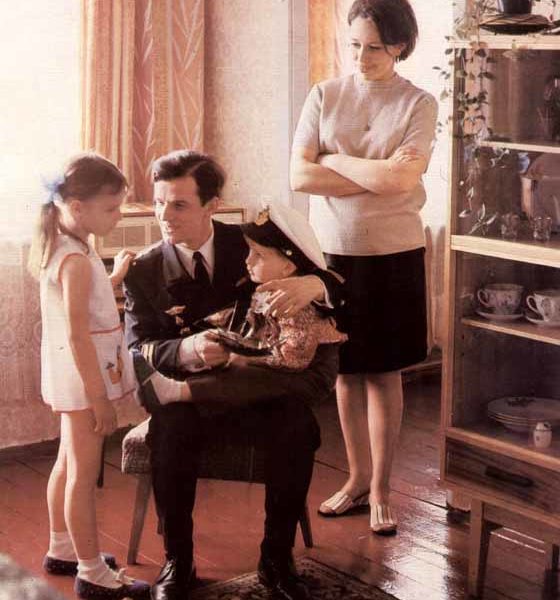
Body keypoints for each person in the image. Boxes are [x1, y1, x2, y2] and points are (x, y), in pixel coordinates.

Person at [123, 149, 344, 600]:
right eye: (159, 202)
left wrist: (316, 284)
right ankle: (178, 561)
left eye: (179, 204)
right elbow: (139, 347)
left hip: (257, 393)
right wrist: (189, 350)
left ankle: (276, 559)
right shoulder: (144, 270)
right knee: (170, 426)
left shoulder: (247, 243)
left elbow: (335, 283)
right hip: (189, 394)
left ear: (213, 204)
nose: (164, 215)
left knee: (298, 425)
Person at [290, 0, 438, 535]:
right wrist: (375, 173)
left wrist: (332, 160)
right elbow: (299, 177)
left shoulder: (418, 103)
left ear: (400, 46)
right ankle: (356, 480)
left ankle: (381, 489)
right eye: (353, 44)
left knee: (384, 371)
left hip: (393, 253)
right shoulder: (324, 95)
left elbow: (401, 182)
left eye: (374, 47)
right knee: (346, 372)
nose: (361, 56)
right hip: (331, 254)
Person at [28, 152, 194, 600]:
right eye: (111, 208)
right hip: (83, 382)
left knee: (67, 462)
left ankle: (62, 548)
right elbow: (78, 334)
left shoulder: (70, 246)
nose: (119, 216)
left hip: (70, 376)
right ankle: (91, 572)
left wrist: (115, 276)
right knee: (83, 474)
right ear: (77, 208)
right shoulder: (76, 261)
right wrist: (99, 398)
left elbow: (87, 304)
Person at [232, 202, 347, 371]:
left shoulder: (294, 306)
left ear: (288, 267)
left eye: (259, 255)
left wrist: (245, 360)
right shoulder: (265, 292)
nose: (248, 260)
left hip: (305, 372)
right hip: (280, 361)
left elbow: (293, 359)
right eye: (250, 251)